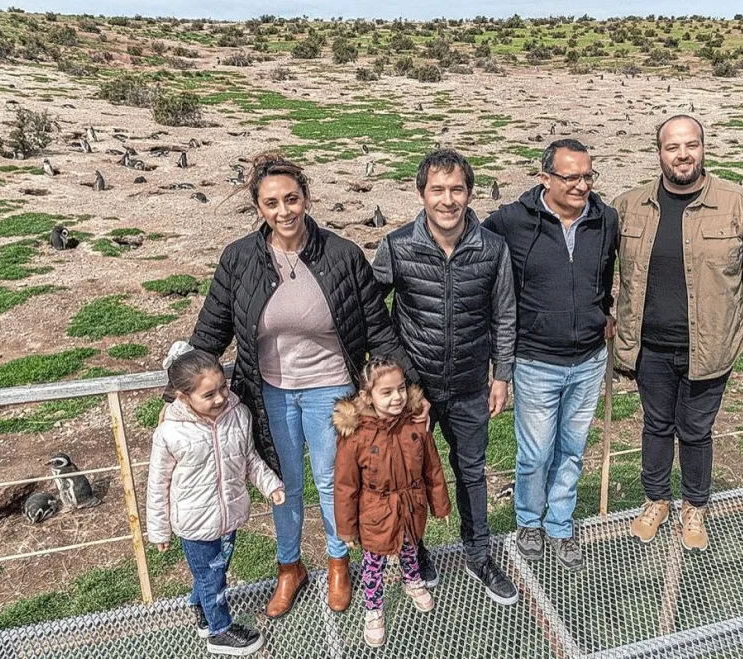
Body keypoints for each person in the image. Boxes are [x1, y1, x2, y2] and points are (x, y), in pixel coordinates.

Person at [188, 154, 418, 619]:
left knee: (335, 481)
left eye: (291, 199)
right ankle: (289, 568)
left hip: (331, 390)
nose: (284, 211)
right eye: (271, 202)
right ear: (259, 208)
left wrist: (408, 390)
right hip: (269, 389)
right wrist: (183, 390)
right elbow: (211, 331)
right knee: (283, 485)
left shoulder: (342, 255)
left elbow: (377, 326)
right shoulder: (239, 259)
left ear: (306, 199)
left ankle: (338, 561)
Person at [613, 115, 743, 552]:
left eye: (691, 145)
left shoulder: (738, 204)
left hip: (710, 348)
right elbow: (594, 266)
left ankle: (695, 505)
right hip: (649, 348)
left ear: (703, 148)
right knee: (655, 425)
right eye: (673, 147)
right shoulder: (629, 205)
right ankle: (656, 500)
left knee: (695, 430)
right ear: (659, 153)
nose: (683, 155)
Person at [372, 149, 519, 604]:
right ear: (422, 194)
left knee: (471, 473)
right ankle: (416, 554)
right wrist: (395, 375)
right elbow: (371, 311)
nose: (448, 200)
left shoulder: (492, 248)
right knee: (409, 477)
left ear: (469, 193)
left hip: (472, 384)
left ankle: (479, 554)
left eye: (456, 189)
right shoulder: (397, 246)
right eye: (438, 189)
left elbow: (505, 314)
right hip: (415, 392)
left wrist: (502, 374)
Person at [483, 139, 618, 571]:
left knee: (572, 450)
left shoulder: (606, 219)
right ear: (545, 178)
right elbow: (469, 247)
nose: (582, 185)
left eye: (588, 176)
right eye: (571, 176)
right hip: (536, 360)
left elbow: (612, 273)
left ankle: (560, 524)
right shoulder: (511, 221)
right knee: (536, 453)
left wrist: (607, 312)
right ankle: (528, 522)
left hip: (590, 359)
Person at [147, 341, 285, 656]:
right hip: (194, 523)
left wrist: (270, 485)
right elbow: (158, 484)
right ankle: (219, 631)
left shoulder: (238, 415)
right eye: (209, 395)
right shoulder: (170, 433)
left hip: (228, 514)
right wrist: (159, 530)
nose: (221, 398)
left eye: (222, 388)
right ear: (183, 397)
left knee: (215, 569)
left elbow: (250, 459)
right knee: (212, 576)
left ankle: (199, 607)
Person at [333, 356, 451, 647]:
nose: (396, 397)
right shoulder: (355, 436)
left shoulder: (415, 425)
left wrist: (440, 504)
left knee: (410, 546)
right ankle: (373, 609)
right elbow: (345, 486)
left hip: (411, 506)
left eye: (400, 389)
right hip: (375, 513)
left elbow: (432, 469)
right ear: (366, 396)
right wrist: (347, 530)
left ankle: (412, 579)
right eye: (386, 392)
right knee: (373, 566)